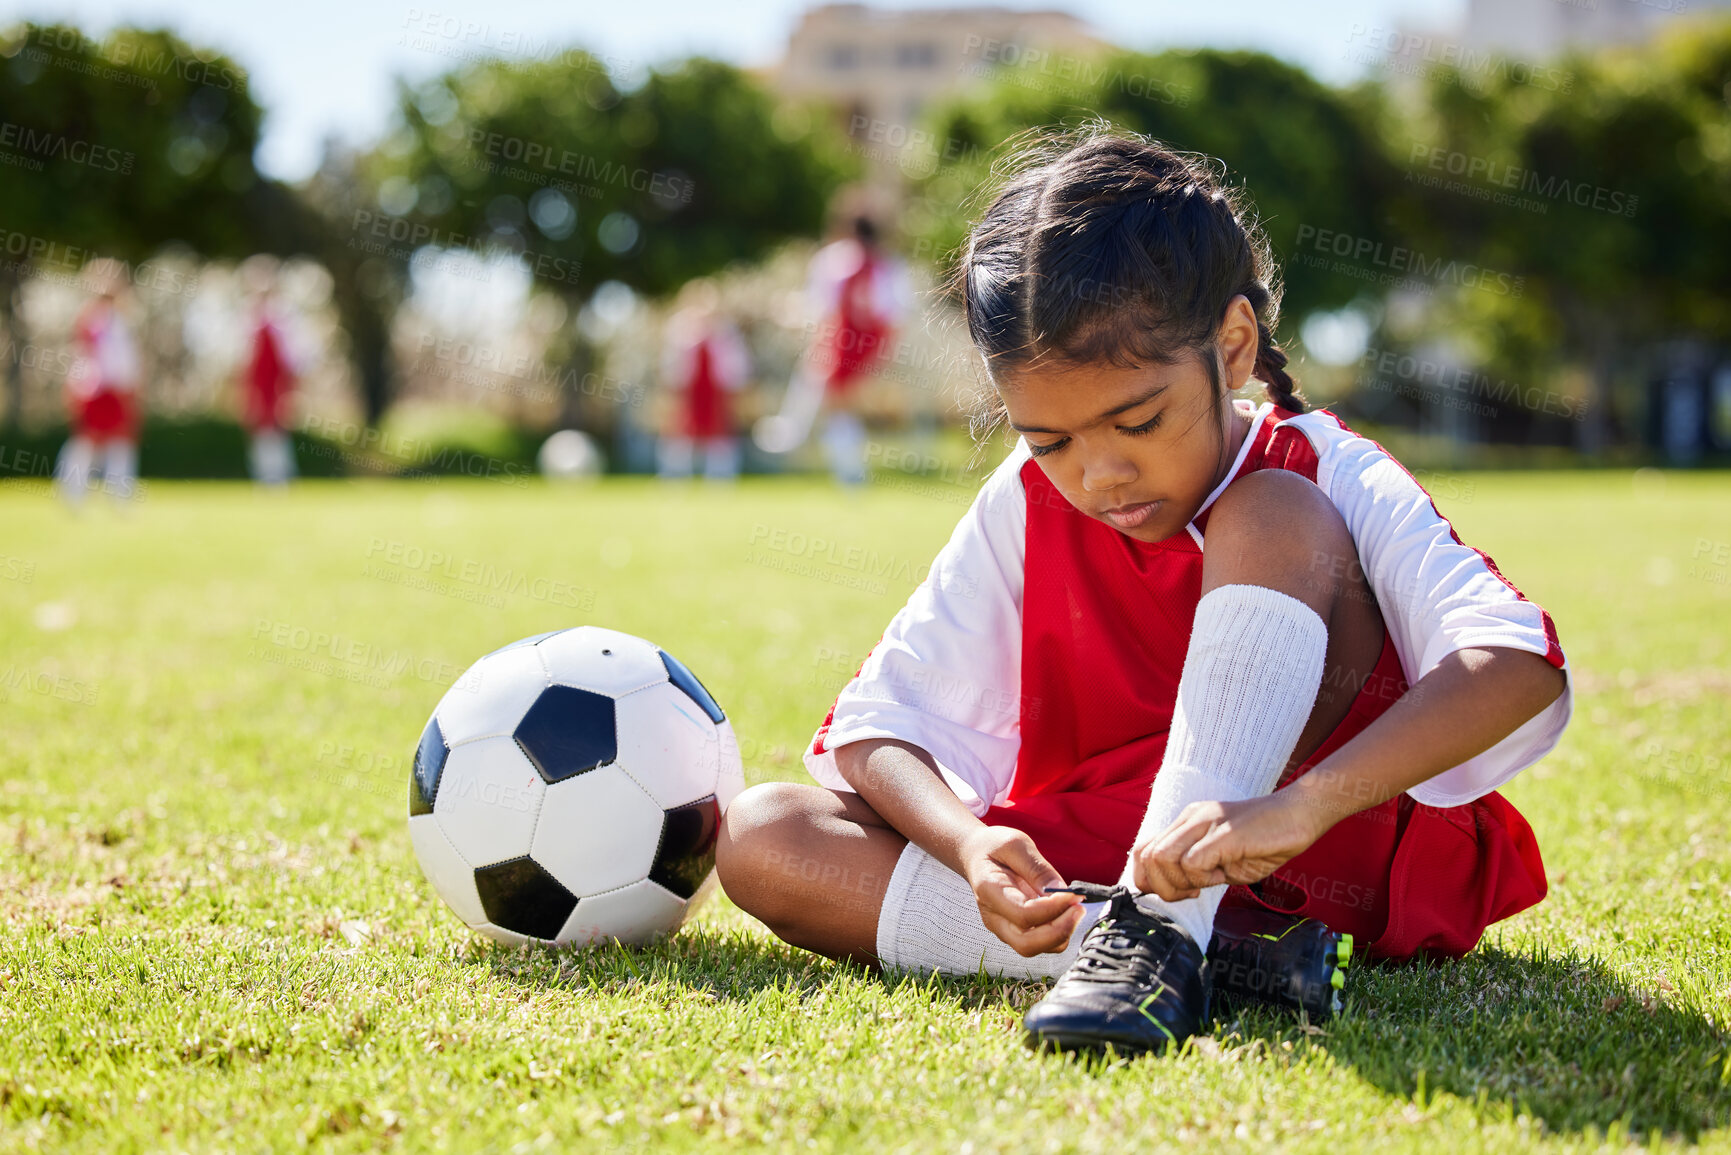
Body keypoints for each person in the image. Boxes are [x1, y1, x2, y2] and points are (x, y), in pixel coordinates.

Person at [715, 132, 1573, 1054]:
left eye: (1139, 419)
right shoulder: (1029, 493)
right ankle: (1212, 956)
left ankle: (1165, 941)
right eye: (1051, 439)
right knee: (764, 833)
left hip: (1316, 849)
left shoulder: (1321, 464)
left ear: (1233, 344)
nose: (1100, 474)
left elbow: (1515, 663)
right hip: (1117, 853)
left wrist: (1304, 805)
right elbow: (876, 725)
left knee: (1272, 511)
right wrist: (968, 849)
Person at [754, 217, 909, 483]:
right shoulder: (888, 266)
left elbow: (820, 310)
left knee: (833, 406)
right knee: (839, 407)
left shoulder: (833, 261)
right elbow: (895, 316)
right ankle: (845, 468)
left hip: (838, 342)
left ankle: (838, 465)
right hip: (867, 345)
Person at [55, 280, 142, 505]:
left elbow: (127, 360)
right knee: (87, 440)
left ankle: (120, 493)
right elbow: (85, 357)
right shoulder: (91, 320)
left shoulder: (121, 321)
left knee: (121, 441)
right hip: (96, 390)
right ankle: (72, 491)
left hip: (117, 390)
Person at [657, 280, 751, 481]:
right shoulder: (679, 328)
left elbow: (736, 362)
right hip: (688, 388)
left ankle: (720, 476)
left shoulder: (725, 330)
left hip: (716, 389)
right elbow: (671, 360)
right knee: (681, 430)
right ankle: (675, 475)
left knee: (720, 432)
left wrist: (735, 385)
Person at [241, 286, 303, 486]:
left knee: (274, 433)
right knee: (263, 434)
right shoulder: (252, 329)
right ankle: (267, 476)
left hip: (273, 391)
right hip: (261, 391)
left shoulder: (278, 330)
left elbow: (286, 367)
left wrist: (287, 394)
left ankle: (276, 477)